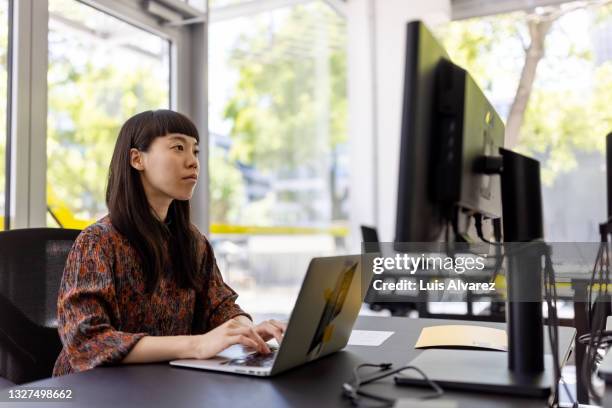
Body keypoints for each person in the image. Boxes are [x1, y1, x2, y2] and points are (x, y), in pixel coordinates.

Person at [53, 109, 285, 376]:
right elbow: (87, 342)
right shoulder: (97, 242)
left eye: (195, 151)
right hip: (91, 392)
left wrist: (246, 329)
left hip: (162, 385)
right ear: (137, 159)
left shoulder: (193, 242)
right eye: (178, 147)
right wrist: (196, 345)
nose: (193, 162)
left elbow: (220, 306)